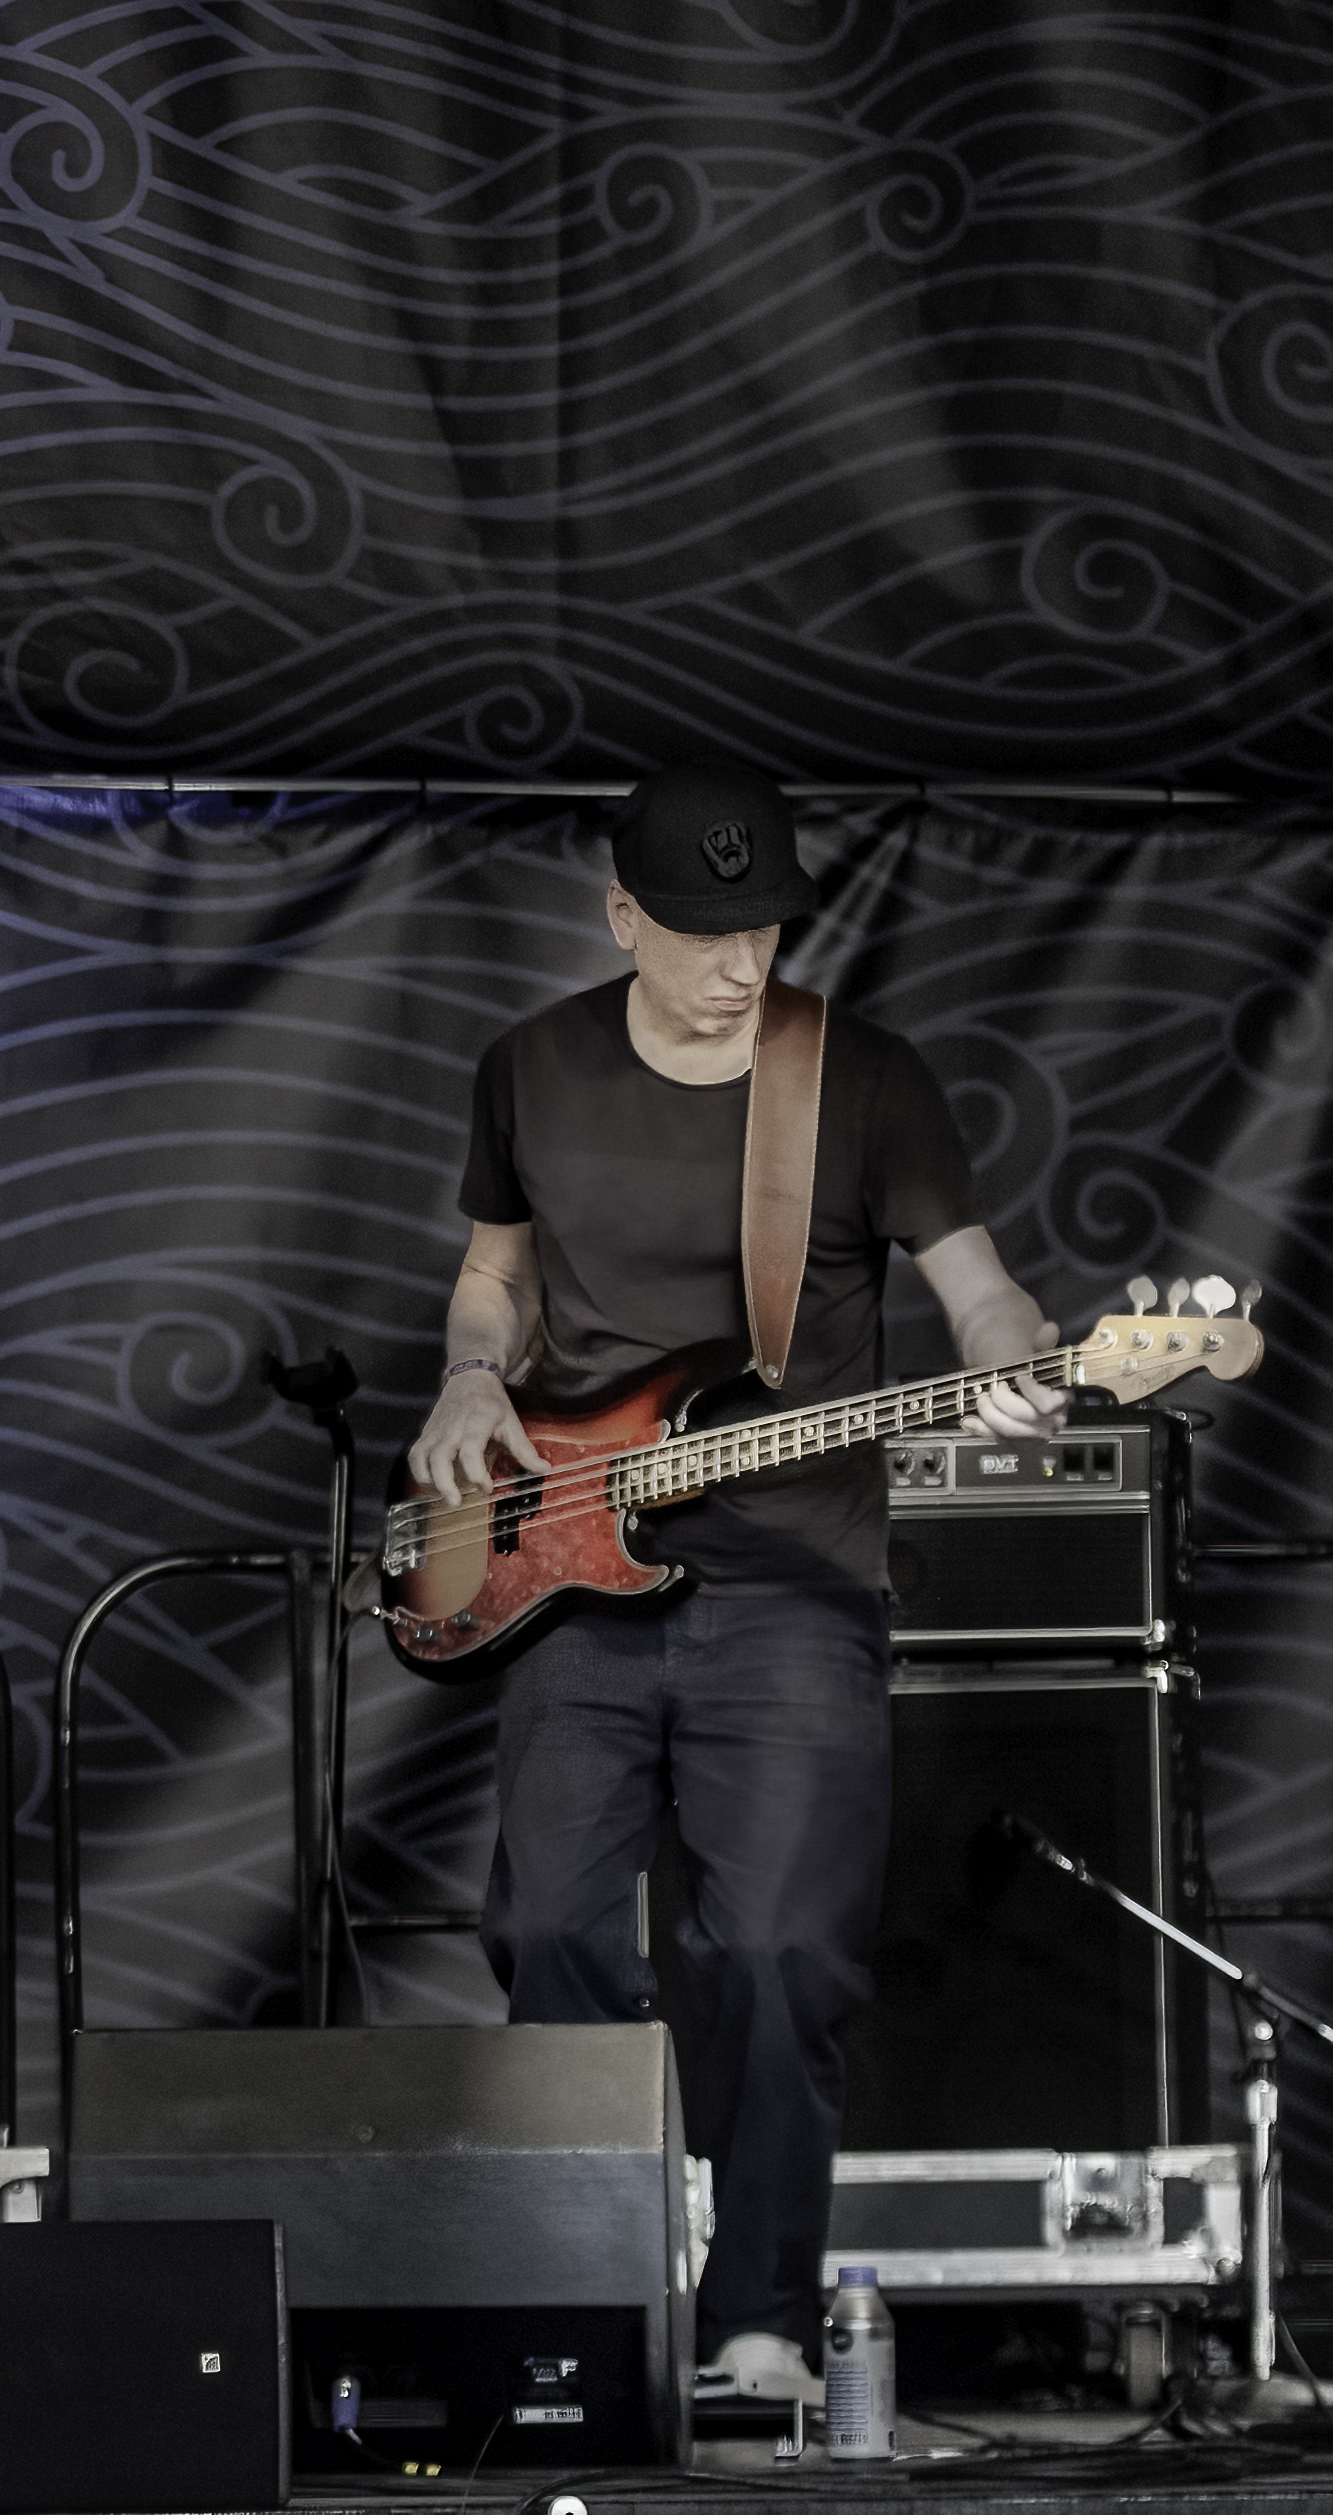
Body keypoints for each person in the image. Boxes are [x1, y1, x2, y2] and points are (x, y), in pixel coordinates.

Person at [414, 760, 1059, 2406]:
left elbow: (976, 1291)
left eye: (762, 926)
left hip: (796, 1589)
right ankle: (583, 2299)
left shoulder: (864, 1080)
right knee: (550, 1925)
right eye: (701, 929)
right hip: (568, 1565)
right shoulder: (528, 1068)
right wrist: (471, 1385)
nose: (737, 962)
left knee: (775, 1954)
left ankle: (756, 2316)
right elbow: (491, 1280)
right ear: (621, 911)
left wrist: (1022, 1363)